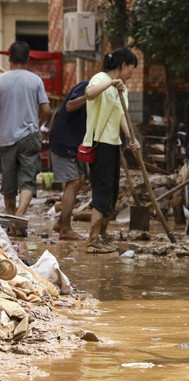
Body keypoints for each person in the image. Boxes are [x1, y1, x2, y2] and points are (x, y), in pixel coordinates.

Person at [84, 48, 140, 254]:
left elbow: (122, 116)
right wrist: (110, 83)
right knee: (101, 190)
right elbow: (89, 94)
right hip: (98, 142)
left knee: (112, 191)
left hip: (113, 142)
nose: (132, 74)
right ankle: (93, 238)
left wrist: (132, 139)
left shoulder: (122, 89)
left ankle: (103, 235)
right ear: (123, 65)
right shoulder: (99, 79)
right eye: (132, 69)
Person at [0, 41, 51, 236]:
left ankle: (13, 223)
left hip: (5, 138)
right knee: (28, 182)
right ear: (28, 59)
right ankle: (18, 220)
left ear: (9, 58)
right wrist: (38, 124)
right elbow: (46, 109)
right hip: (30, 136)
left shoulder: (1, 80)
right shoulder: (35, 80)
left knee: (9, 185)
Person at [49, 80, 89, 240]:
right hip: (64, 141)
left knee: (79, 181)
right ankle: (65, 228)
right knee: (73, 182)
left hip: (75, 142)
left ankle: (60, 222)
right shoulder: (89, 86)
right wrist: (90, 95)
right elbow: (70, 105)